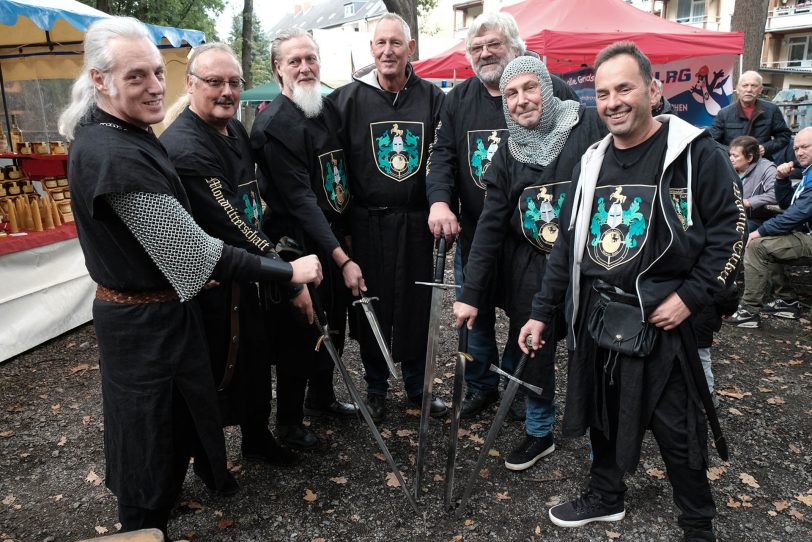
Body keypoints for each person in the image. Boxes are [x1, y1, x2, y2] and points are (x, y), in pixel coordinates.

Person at [57, 17, 321, 536]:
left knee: (180, 423)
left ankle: (175, 497)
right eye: (136, 77)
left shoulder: (125, 134)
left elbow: (176, 249)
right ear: (99, 80)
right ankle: (141, 527)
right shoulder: (112, 153)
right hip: (140, 325)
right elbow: (195, 252)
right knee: (148, 439)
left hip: (165, 308)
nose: (155, 86)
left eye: (157, 72)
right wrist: (286, 270)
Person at [519, 42, 743, 541]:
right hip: (599, 315)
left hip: (664, 321)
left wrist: (690, 297)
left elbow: (732, 231)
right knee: (603, 414)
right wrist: (541, 312)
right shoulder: (591, 161)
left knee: (677, 429)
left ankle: (697, 523)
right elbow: (567, 249)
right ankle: (606, 497)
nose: (613, 101)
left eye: (624, 87)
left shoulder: (695, 154)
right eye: (603, 93)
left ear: (653, 89)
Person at [452, 56, 605, 471]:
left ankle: (601, 445)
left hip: (585, 264)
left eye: (529, 88)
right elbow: (488, 227)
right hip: (529, 265)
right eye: (512, 93)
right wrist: (469, 294)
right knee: (532, 348)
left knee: (590, 348)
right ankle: (539, 432)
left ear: (548, 88)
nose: (521, 100)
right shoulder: (506, 154)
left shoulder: (589, 126)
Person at [426, 11, 578, 420]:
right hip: (481, 228)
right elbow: (442, 155)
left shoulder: (555, 90)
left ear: (515, 46)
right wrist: (440, 200)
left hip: (531, 239)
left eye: (493, 44)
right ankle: (481, 386)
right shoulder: (457, 99)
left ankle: (516, 383)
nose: (485, 53)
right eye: (476, 48)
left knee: (523, 311)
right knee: (473, 310)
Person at [160, 43, 307, 464]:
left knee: (256, 361)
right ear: (190, 84)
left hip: (247, 273)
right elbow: (231, 223)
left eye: (233, 83)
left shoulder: (234, 129)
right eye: (214, 82)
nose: (226, 91)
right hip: (213, 282)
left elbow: (253, 205)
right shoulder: (187, 148)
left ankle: (257, 440)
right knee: (213, 374)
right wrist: (287, 270)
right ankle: (209, 465)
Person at [327, 13, 447, 421]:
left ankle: (417, 387)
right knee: (370, 303)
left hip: (415, 222)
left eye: (396, 43)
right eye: (380, 43)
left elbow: (443, 160)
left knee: (416, 304)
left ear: (411, 48)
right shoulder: (345, 101)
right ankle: (376, 388)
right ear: (371, 48)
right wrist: (340, 230)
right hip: (367, 222)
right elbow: (333, 168)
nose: (388, 51)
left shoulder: (433, 99)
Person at [250, 29, 361, 446]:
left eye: (310, 59)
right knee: (301, 329)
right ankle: (291, 423)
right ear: (278, 69)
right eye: (294, 61)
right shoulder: (274, 124)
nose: (304, 67)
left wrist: (344, 237)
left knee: (332, 319)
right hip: (295, 242)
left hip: (329, 235)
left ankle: (322, 398)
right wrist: (341, 257)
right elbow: (299, 199)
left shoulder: (324, 109)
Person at [726, 127, 812, 328]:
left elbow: (797, 214)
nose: (799, 152)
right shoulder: (807, 173)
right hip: (804, 233)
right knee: (769, 240)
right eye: (796, 148)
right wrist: (782, 180)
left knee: (758, 244)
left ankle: (748, 311)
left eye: (805, 147)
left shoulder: (769, 168)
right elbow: (787, 204)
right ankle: (787, 302)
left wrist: (759, 232)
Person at [709, 70, 791, 161]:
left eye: (754, 86)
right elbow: (712, 141)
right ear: (738, 89)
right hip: (732, 165)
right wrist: (733, 152)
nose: (749, 90)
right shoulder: (724, 114)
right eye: (745, 85)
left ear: (760, 89)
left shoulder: (771, 110)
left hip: (761, 163)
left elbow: (784, 136)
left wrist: (766, 147)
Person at [729, 135, 778, 231]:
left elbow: (775, 194)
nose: (731, 158)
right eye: (730, 155)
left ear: (749, 157)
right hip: (731, 215)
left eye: (735, 156)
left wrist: (749, 202)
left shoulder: (767, 169)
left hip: (756, 219)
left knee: (732, 230)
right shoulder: (729, 168)